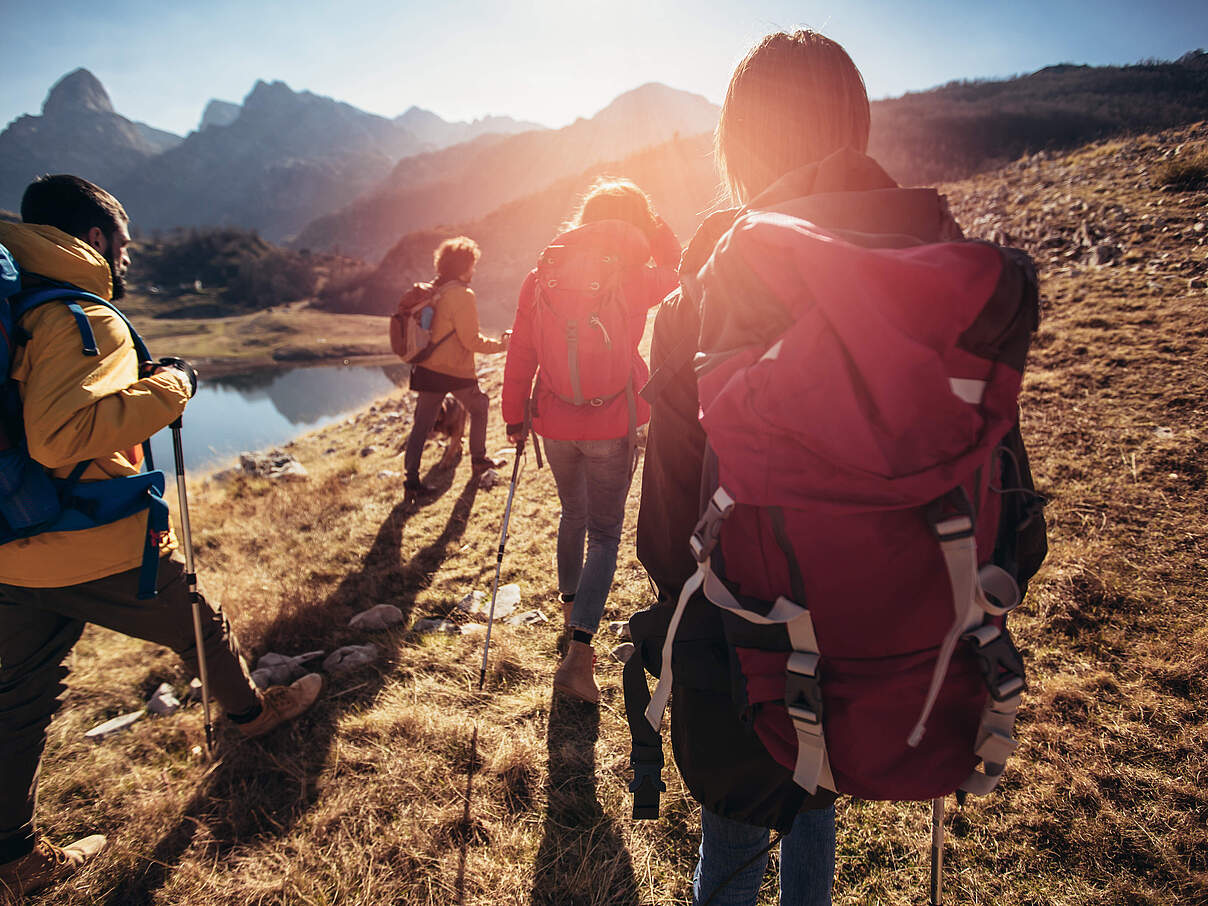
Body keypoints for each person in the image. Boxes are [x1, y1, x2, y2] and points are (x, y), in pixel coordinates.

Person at [635, 31, 992, 905]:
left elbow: (664, 532)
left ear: (736, 145)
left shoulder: (698, 300)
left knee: (732, 838)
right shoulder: (926, 280)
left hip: (744, 641)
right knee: (818, 789)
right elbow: (997, 498)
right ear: (859, 131)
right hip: (888, 647)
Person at [0, 175, 322, 900]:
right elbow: (61, 437)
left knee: (18, 698)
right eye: (122, 242)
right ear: (95, 238)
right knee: (198, 623)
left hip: (11, 542)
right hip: (95, 544)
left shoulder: (17, 308)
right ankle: (250, 716)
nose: (127, 257)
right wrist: (173, 383)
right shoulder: (85, 316)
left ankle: (15, 856)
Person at [501, 178, 680, 703]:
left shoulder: (541, 276)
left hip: (554, 423)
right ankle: (578, 658)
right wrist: (652, 228)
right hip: (612, 422)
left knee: (571, 516)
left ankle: (570, 612)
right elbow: (681, 270)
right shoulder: (635, 276)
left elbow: (520, 356)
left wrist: (515, 419)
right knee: (604, 534)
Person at [403, 236, 508, 496]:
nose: (474, 270)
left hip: (428, 368)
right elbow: (470, 340)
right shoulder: (462, 295)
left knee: (421, 424)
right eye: (472, 265)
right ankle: (478, 460)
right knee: (480, 407)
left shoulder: (435, 291)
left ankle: (412, 482)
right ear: (463, 266)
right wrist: (502, 346)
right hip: (455, 371)